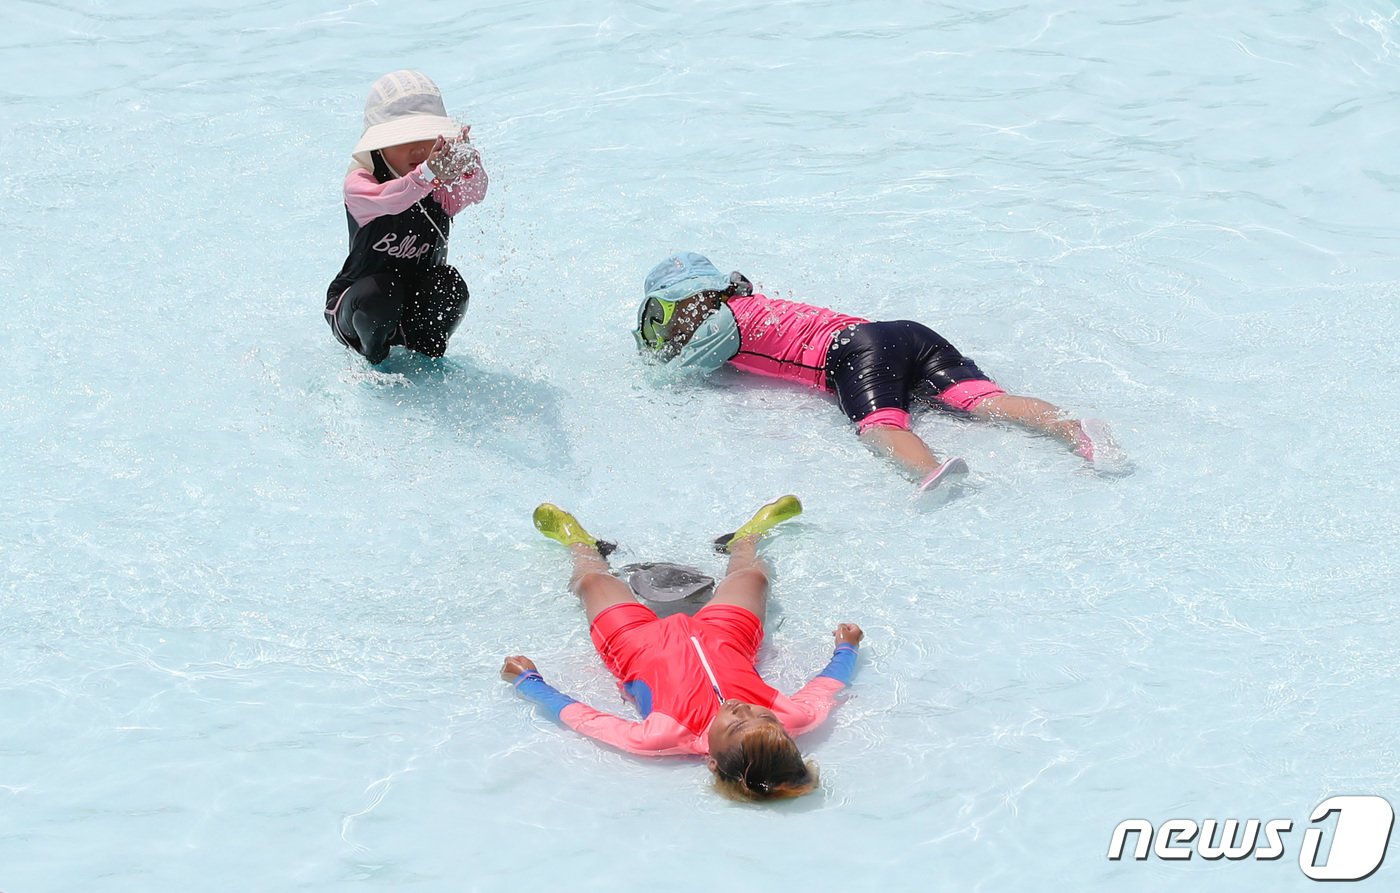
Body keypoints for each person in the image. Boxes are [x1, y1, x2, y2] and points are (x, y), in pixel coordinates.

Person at [633, 252, 1127, 494]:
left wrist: (647, 376)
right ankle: (1072, 427)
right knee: (980, 400)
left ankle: (930, 471)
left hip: (850, 350)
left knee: (880, 425)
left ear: (690, 301)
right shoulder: (751, 302)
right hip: (902, 333)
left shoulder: (720, 324)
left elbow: (676, 373)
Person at [501, 496, 864, 801]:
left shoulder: (661, 736)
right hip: (727, 637)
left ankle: (580, 545)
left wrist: (529, 682)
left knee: (593, 582)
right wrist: (846, 649)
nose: (745, 710)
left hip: (635, 646)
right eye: (764, 717)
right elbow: (827, 687)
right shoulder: (794, 718)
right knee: (752, 578)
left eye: (737, 723)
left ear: (712, 760)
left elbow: (585, 720)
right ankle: (746, 539)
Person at [325, 70, 490, 364]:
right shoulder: (361, 183)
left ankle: (429, 360)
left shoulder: (438, 187)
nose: (417, 149)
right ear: (378, 145)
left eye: (427, 137)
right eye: (402, 139)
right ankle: (375, 366)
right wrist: (426, 174)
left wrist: (469, 166)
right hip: (360, 309)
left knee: (449, 285)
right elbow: (393, 200)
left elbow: (475, 192)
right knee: (381, 294)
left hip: (415, 307)